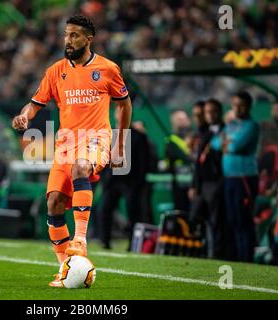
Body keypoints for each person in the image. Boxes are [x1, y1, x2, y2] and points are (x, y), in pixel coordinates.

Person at [12, 15, 132, 287]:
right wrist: (24, 117)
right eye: (66, 34)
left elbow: (124, 104)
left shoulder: (108, 69)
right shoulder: (56, 71)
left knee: (81, 166)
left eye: (75, 35)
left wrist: (120, 144)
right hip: (65, 144)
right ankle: (65, 269)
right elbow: (35, 103)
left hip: (96, 138)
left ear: (89, 39)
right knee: (53, 202)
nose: (68, 40)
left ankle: (80, 238)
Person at [98, 115, 153, 251]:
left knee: (133, 212)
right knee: (104, 209)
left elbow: (144, 162)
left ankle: (132, 244)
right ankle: (105, 241)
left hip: (131, 182)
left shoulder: (139, 136)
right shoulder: (109, 134)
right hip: (113, 181)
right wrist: (105, 180)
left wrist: (138, 183)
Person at [222, 91, 260, 262]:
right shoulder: (231, 125)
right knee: (232, 219)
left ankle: (247, 258)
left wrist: (228, 143)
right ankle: (238, 257)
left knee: (243, 219)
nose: (237, 108)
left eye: (241, 105)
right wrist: (228, 142)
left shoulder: (251, 126)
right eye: (234, 105)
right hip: (230, 177)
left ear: (248, 106)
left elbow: (236, 146)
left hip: (244, 177)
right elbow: (216, 143)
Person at [190, 98, 226, 259]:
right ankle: (200, 250)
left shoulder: (224, 131)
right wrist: (195, 185)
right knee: (195, 217)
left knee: (216, 220)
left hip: (216, 182)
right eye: (207, 112)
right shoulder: (206, 133)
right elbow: (198, 162)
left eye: (211, 112)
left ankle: (216, 253)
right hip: (203, 184)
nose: (209, 115)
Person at [165, 110, 192, 212]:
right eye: (180, 119)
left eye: (185, 118)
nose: (184, 121)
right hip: (180, 181)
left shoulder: (193, 136)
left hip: (193, 179)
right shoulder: (171, 140)